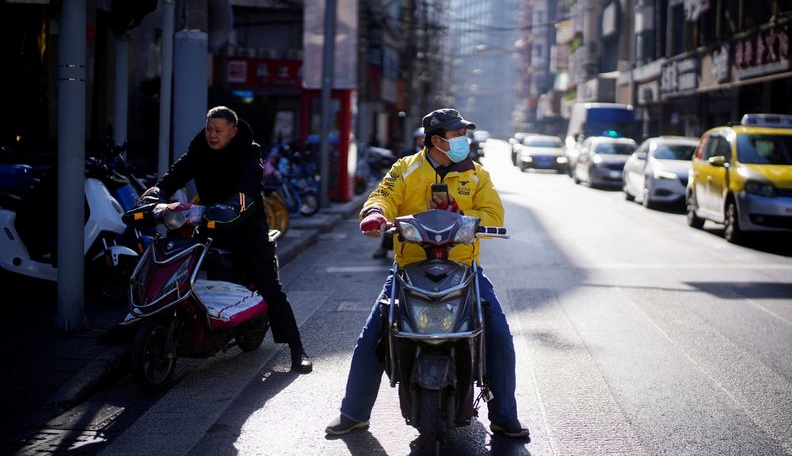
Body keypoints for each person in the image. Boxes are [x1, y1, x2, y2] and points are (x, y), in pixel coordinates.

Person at [326, 108, 529, 438]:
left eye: (464, 134)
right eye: (457, 135)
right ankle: (354, 413)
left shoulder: (477, 175)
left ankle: (504, 415)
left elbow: (493, 212)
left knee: (499, 334)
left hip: (464, 268)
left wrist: (462, 213)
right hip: (410, 268)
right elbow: (384, 195)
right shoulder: (405, 169)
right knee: (372, 334)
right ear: (436, 140)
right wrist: (375, 214)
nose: (464, 140)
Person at [152, 106, 312, 373]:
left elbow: (246, 190)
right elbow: (174, 176)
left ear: (232, 131)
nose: (212, 135)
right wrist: (156, 193)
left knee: (270, 286)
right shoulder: (199, 149)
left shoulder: (249, 152)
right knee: (172, 260)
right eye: (208, 129)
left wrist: (232, 206)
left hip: (246, 226)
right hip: (208, 222)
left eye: (218, 131)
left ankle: (297, 349)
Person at [371, 127, 426, 260]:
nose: (423, 141)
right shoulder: (407, 155)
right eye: (420, 139)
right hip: (405, 193)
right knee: (395, 224)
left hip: (424, 196)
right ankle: (384, 248)